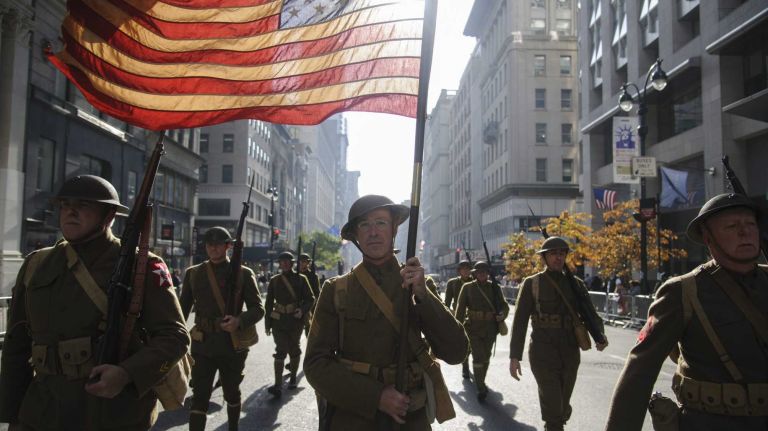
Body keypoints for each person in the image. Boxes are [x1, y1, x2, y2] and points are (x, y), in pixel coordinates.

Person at [0, 175, 190, 431]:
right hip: (42, 411)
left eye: (84, 205)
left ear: (109, 216)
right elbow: (17, 345)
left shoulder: (142, 265)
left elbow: (175, 337)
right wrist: (13, 416)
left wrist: (126, 374)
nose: (71, 212)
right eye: (65, 205)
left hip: (111, 413)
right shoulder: (37, 264)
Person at [605, 193, 768, 431]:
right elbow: (639, 372)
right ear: (708, 239)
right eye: (732, 226)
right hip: (712, 423)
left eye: (750, 224)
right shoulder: (682, 292)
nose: (745, 232)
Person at [304, 195, 469, 429]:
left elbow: (456, 352)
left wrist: (423, 296)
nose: (373, 232)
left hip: (410, 419)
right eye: (364, 224)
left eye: (381, 222)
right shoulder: (336, 290)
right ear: (355, 236)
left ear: (394, 229)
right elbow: (315, 365)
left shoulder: (420, 285)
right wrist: (376, 396)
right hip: (353, 419)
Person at [509, 236, 608, 431]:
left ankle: (556, 421)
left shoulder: (576, 284)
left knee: (561, 405)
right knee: (553, 408)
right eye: (553, 253)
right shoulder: (532, 284)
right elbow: (519, 322)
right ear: (544, 258)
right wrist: (514, 356)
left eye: (561, 253)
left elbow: (590, 314)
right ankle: (554, 424)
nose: (558, 257)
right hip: (542, 352)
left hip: (570, 351)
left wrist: (600, 335)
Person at [179, 226, 265, 431]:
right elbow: (181, 311)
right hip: (203, 344)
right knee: (199, 396)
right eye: (210, 245)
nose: (213, 249)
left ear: (228, 246)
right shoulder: (193, 274)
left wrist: (239, 321)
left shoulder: (244, 273)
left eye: (218, 245)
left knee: (231, 392)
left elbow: (258, 309)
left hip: (232, 345)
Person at [454, 261, 510, 400]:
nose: (482, 274)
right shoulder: (467, 288)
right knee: (478, 357)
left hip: (491, 328)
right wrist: (457, 329)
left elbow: (504, 305)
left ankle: (481, 382)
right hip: (473, 328)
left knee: (486, 357)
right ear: (475, 273)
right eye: (479, 272)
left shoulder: (495, 288)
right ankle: (480, 387)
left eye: (484, 272)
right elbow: (460, 310)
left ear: (488, 273)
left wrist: (502, 314)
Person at [265, 252, 315, 397]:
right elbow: (268, 303)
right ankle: (278, 385)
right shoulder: (274, 281)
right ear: (279, 264)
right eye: (282, 262)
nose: (285, 264)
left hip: (295, 320)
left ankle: (293, 379)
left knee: (294, 349)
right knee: (280, 350)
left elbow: (310, 299)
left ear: (292, 263)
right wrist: (268, 324)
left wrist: (302, 310)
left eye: (288, 262)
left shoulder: (301, 279)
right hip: (278, 321)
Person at [443, 260, 474, 378]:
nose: (466, 271)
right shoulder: (452, 283)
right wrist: (448, 315)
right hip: (459, 316)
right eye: (463, 269)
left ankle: (476, 365)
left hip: (473, 317)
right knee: (465, 342)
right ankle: (465, 366)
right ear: (459, 271)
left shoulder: (475, 282)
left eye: (468, 269)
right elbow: (447, 302)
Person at [299, 253, 321, 336]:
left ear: (308, 263)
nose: (301, 263)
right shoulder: (295, 275)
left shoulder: (313, 276)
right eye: (300, 261)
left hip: (310, 306)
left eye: (304, 262)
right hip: (296, 306)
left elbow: (317, 293)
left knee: (309, 332)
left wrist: (311, 304)